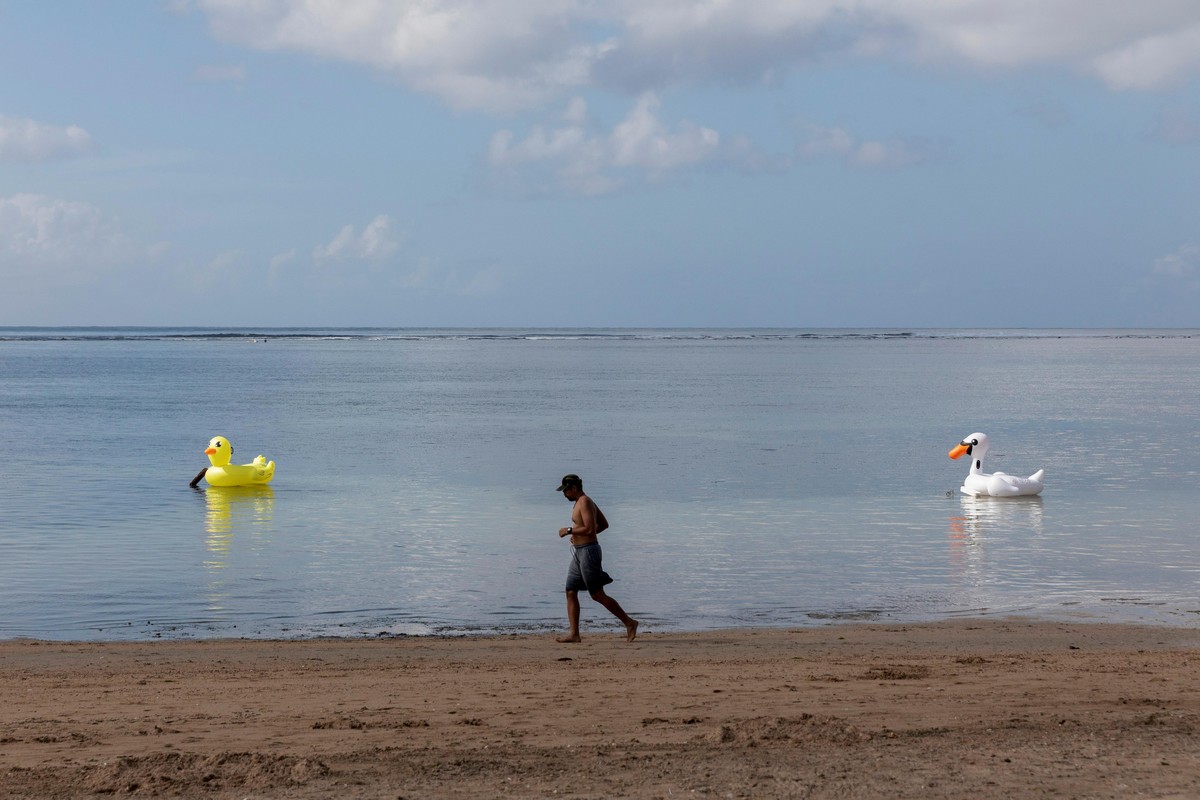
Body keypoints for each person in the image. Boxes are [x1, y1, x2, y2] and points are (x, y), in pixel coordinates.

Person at [555, 474, 638, 643]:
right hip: (579, 551)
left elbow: (590, 529)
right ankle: (574, 634)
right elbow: (603, 524)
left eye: (566, 491)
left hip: (588, 552)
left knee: (597, 594)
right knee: (570, 591)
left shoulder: (585, 502)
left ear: (574, 488)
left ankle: (629, 623)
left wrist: (569, 531)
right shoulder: (582, 502)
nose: (564, 494)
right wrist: (578, 537)